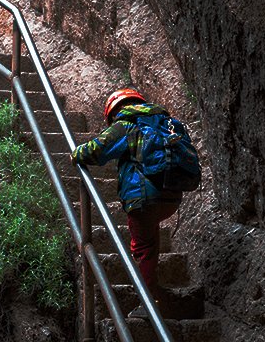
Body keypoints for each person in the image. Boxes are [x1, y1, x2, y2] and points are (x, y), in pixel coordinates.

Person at [72, 88, 184, 317]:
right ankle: (153, 292)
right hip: (171, 195)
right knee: (149, 241)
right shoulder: (163, 122)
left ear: (114, 110)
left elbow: (97, 150)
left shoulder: (125, 124)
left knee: (142, 248)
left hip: (143, 197)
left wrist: (76, 153)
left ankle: (148, 305)